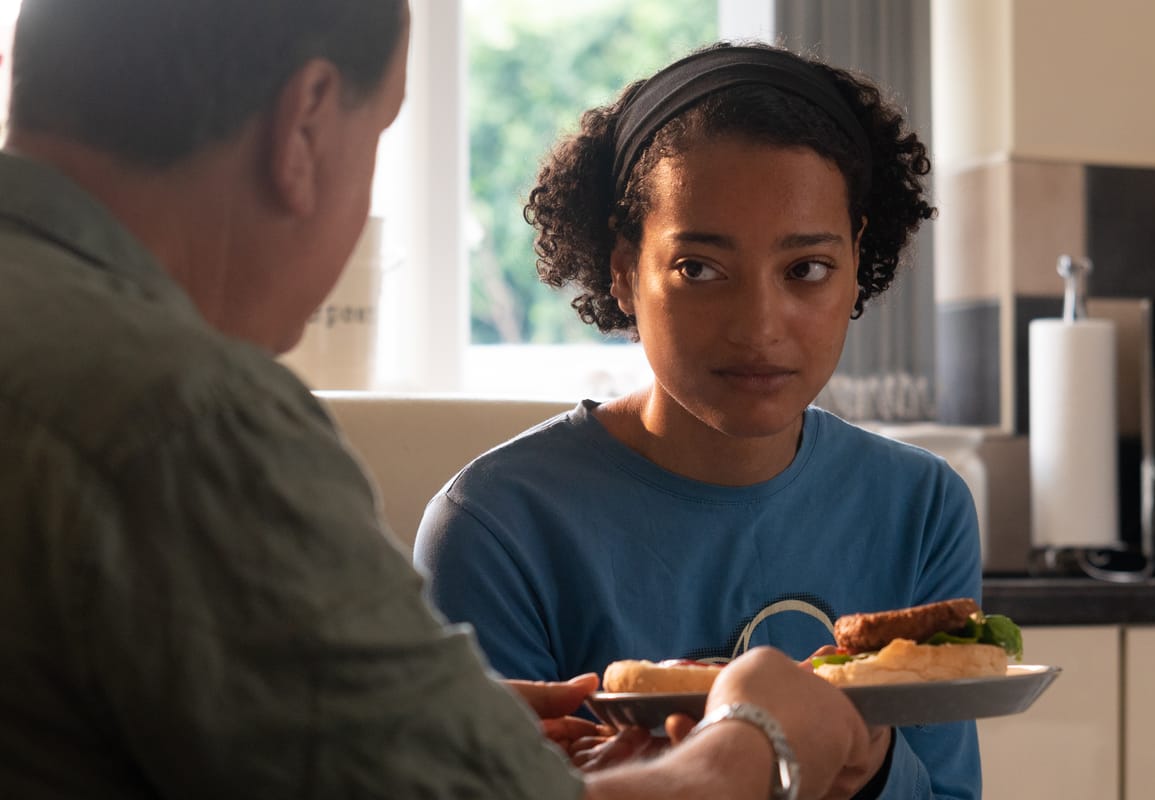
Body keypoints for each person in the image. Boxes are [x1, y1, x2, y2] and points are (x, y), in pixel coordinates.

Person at [0, 2, 890, 798]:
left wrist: (415, 728)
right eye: (381, 132)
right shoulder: (188, 420)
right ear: (305, 124)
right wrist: (757, 745)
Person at [414, 42, 983, 798]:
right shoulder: (496, 527)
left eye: (806, 269)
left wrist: (868, 764)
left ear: (857, 266)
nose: (759, 325)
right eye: (699, 269)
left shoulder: (923, 508)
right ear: (624, 271)